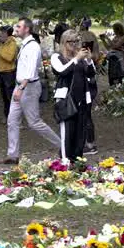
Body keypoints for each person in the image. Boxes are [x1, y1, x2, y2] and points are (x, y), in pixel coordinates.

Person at [3, 18, 60, 164]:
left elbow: (30, 70)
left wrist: (21, 88)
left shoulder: (33, 46)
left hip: (28, 87)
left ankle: (63, 145)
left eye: (19, 26)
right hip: (20, 85)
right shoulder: (24, 45)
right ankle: (12, 155)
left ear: (27, 29)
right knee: (12, 120)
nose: (15, 28)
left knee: (34, 122)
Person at [51, 30, 98, 162]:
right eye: (71, 42)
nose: (74, 44)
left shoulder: (81, 58)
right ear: (64, 43)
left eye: (77, 41)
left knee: (80, 132)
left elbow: (91, 74)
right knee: (67, 132)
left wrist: (88, 60)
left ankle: (78, 161)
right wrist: (76, 59)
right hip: (66, 99)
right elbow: (62, 71)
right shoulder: (57, 57)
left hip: (82, 99)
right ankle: (65, 161)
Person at [0, 26, 18, 119]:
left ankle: (14, 118)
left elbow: (9, 58)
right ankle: (7, 116)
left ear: (5, 34)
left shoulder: (12, 43)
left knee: (10, 96)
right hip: (1, 72)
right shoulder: (1, 44)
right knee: (4, 96)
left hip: (9, 73)